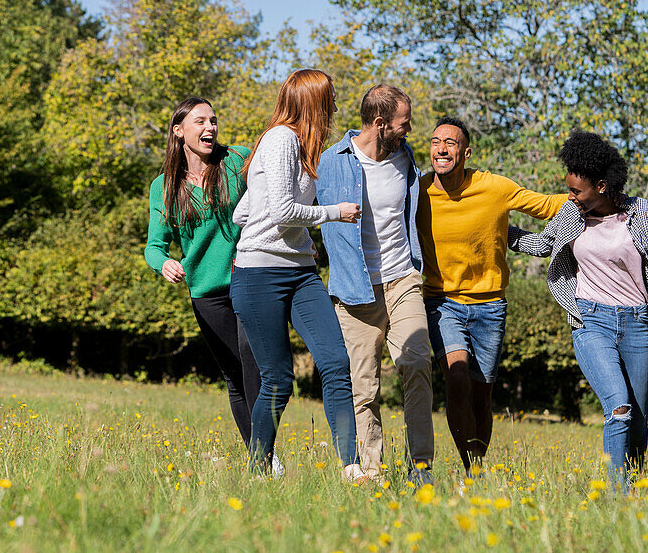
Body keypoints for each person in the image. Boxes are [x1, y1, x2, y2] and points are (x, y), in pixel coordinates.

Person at [508, 131, 648, 490]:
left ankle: (634, 490)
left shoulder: (640, 211)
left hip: (636, 323)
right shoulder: (572, 214)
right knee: (619, 407)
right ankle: (619, 497)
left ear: (601, 185)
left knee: (638, 420)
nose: (569, 197)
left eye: (576, 191)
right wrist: (498, 229)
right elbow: (542, 244)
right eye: (569, 190)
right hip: (590, 320)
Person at [229, 69, 366, 480]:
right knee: (277, 379)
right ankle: (257, 470)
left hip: (301, 273)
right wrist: (334, 213)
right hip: (259, 276)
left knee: (335, 362)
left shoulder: (301, 148)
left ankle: (351, 466)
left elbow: (243, 212)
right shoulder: (281, 139)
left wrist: (266, 210)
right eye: (330, 100)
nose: (336, 108)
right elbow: (283, 212)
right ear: (313, 102)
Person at [418, 116, 566, 476]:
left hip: (490, 305)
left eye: (451, 143)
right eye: (436, 142)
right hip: (441, 302)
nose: (442, 148)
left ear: (466, 153)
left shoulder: (495, 188)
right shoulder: (418, 193)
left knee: (481, 395)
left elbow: (549, 205)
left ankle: (476, 470)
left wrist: (605, 197)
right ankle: (471, 466)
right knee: (456, 377)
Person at [316, 85, 434, 485]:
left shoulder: (406, 159)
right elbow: (296, 205)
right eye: (404, 123)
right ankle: (369, 473)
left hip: (402, 279)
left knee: (417, 363)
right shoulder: (330, 162)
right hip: (354, 288)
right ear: (381, 124)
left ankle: (421, 469)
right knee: (363, 385)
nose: (409, 130)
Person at [144, 97, 262, 454]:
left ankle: (265, 446)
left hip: (248, 276)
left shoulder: (237, 160)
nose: (210, 127)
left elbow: (272, 199)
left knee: (252, 358)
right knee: (233, 376)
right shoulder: (163, 186)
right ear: (179, 132)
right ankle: (260, 459)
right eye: (200, 121)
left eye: (213, 120)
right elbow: (154, 245)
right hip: (206, 292)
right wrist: (163, 263)